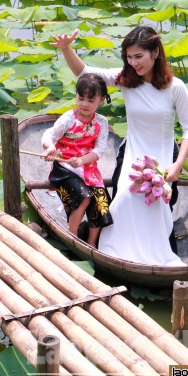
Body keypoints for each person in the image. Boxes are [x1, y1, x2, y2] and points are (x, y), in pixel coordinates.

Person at [51, 26, 188, 266]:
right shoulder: (126, 80)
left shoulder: (176, 87)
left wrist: (178, 165)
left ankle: (159, 257)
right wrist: (67, 49)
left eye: (139, 56)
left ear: (155, 53)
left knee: (160, 206)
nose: (133, 62)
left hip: (163, 156)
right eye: (129, 57)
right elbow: (84, 72)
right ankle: (114, 254)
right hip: (133, 152)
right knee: (125, 200)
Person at [41, 73, 113, 248]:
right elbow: (49, 134)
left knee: (101, 201)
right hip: (64, 167)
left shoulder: (101, 122)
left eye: (90, 100)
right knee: (84, 197)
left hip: (87, 168)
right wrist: (50, 147)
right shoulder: (69, 117)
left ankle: (92, 241)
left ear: (101, 100)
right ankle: (71, 234)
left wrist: (82, 160)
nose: (85, 104)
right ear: (76, 97)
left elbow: (99, 150)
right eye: (81, 99)